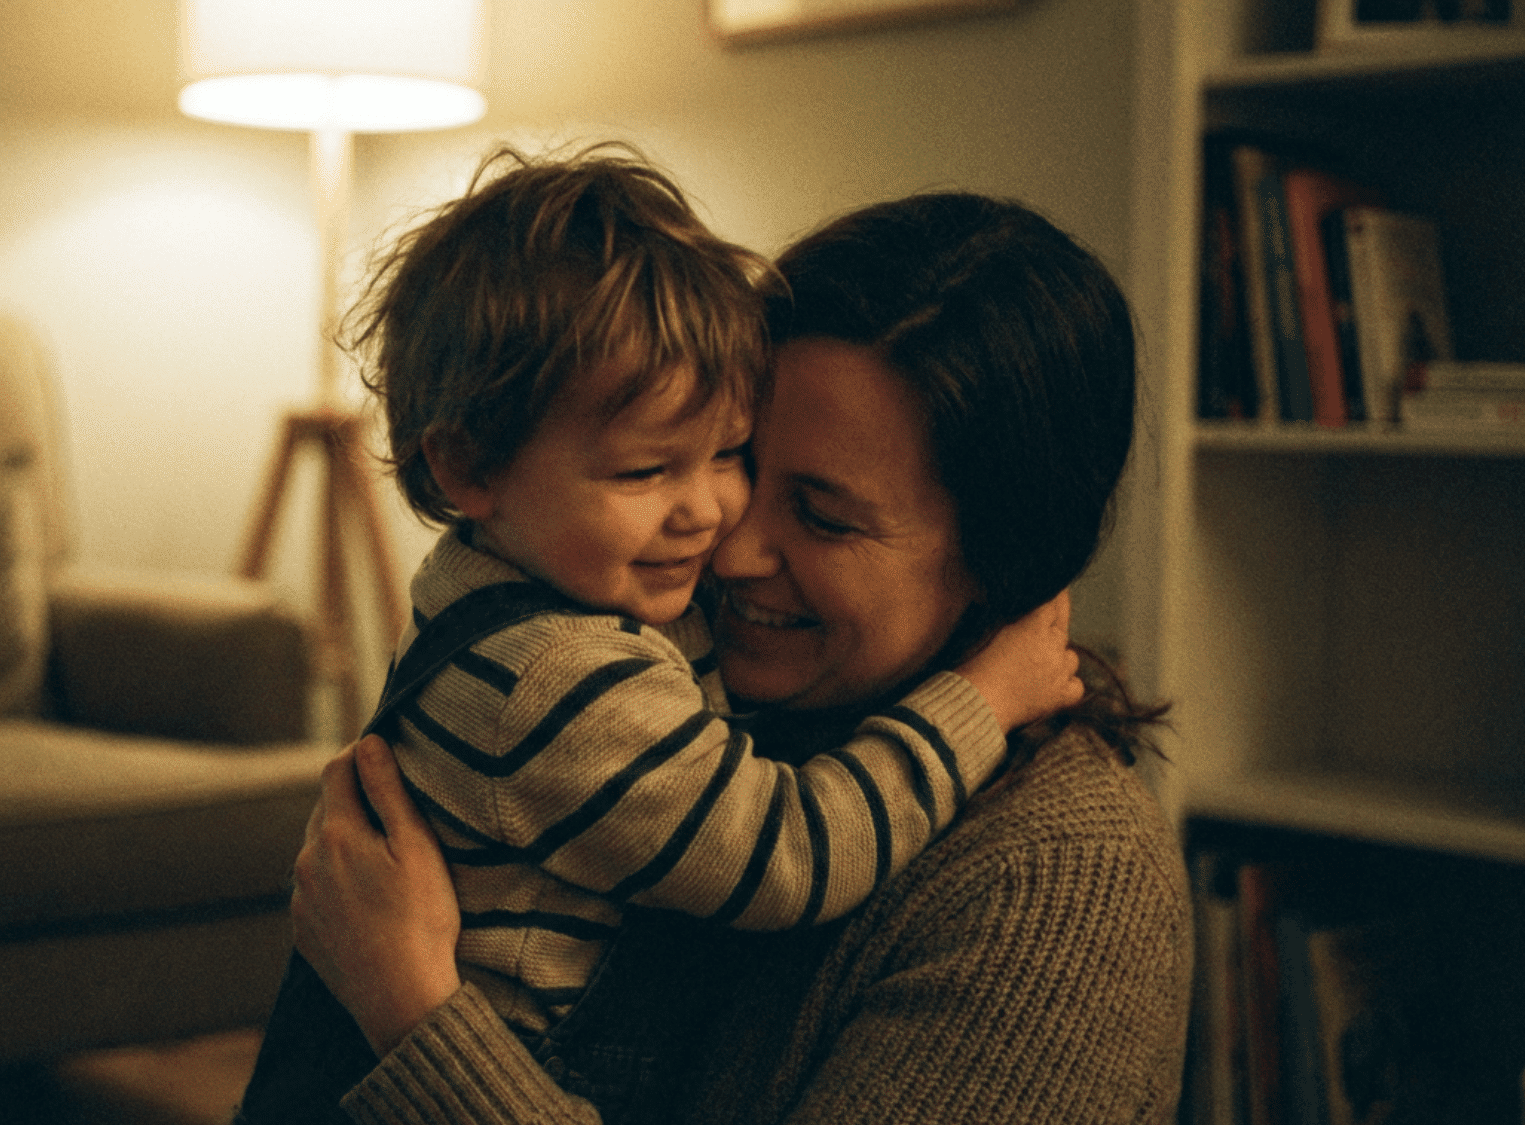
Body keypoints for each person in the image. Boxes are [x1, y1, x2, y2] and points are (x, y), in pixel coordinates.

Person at [287, 191, 1194, 1124]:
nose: (725, 545)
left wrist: (416, 1019)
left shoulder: (1051, 881)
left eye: (824, 516)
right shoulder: (628, 678)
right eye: (744, 461)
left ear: (1006, 561)